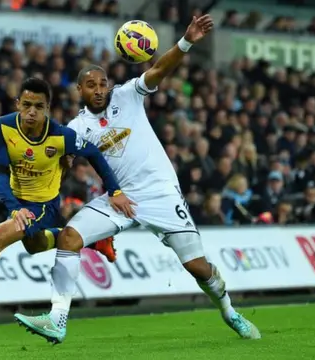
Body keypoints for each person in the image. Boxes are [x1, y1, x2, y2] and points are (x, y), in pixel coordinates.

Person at [14, 15, 261, 343]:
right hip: (120, 198)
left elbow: (159, 70)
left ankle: (230, 312)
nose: (99, 90)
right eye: (91, 85)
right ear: (79, 90)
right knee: (70, 238)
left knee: (198, 267)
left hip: (161, 193)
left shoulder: (128, 95)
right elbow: (60, 162)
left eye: (103, 84)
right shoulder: (76, 128)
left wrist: (186, 41)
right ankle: (57, 320)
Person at [0, 77, 133, 324]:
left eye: (38, 106)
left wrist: (115, 191)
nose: (31, 112)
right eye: (26, 105)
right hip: (18, 201)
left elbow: (94, 154)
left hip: (43, 205)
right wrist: (15, 208)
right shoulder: (3, 127)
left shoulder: (61, 136)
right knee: (34, 246)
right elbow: (0, 174)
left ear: (48, 108)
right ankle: (95, 241)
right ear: (17, 104)